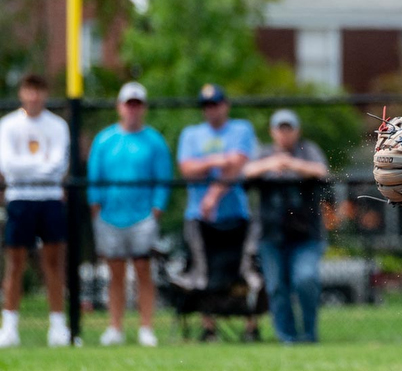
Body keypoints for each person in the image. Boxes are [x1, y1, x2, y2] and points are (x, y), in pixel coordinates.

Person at [87, 82, 172, 347]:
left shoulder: (154, 141)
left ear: (143, 108)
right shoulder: (104, 140)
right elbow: (94, 177)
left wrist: (156, 209)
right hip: (110, 216)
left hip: (143, 218)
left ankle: (146, 328)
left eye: (137, 104)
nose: (132, 109)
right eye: (128, 104)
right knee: (115, 273)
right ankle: (115, 328)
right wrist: (96, 206)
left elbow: (163, 178)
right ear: (120, 107)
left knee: (143, 270)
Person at [176, 83, 261, 342]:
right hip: (199, 217)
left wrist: (212, 193)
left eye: (216, 104)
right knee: (202, 273)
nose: (211, 110)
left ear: (226, 105)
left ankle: (251, 327)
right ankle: (209, 328)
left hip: (236, 214)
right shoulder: (191, 134)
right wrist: (217, 160)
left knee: (244, 271)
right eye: (207, 106)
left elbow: (236, 165)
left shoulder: (241, 129)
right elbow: (187, 169)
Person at [243, 109, 329, 344]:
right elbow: (247, 172)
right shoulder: (264, 154)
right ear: (272, 132)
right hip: (270, 236)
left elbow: (322, 171)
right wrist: (271, 164)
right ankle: (287, 338)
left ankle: (309, 334)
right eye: (280, 129)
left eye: (288, 128)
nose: (284, 133)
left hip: (306, 236)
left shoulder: (307, 151)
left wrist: (291, 164)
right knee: (277, 288)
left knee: (305, 279)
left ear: (297, 131)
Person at [0, 74, 70, 348]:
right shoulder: (7, 125)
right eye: (29, 90)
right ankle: (9, 327)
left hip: (50, 197)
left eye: (39, 91)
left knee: (53, 264)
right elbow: (7, 165)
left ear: (45, 94)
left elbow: (57, 165)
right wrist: (37, 164)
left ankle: (57, 327)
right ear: (22, 93)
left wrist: (27, 166)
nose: (34, 96)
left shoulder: (57, 126)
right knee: (15, 264)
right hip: (19, 197)